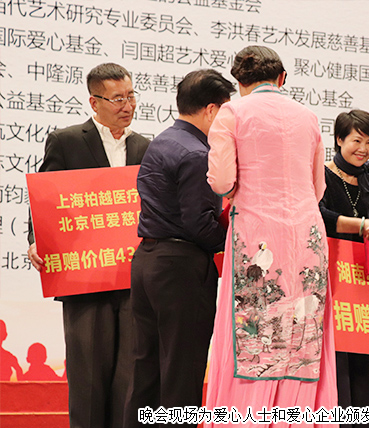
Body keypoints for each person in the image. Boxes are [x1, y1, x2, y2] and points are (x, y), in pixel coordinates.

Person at [203, 46, 337, 426]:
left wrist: (235, 191)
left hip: (257, 233)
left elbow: (221, 181)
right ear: (281, 78)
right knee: (304, 330)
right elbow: (318, 187)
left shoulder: (232, 113)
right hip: (307, 235)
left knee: (254, 331)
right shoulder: (308, 116)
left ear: (239, 82)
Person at [26, 62, 150, 428]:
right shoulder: (67, 141)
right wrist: (36, 240)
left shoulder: (146, 147)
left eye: (130, 96)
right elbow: (46, 200)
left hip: (132, 279)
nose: (127, 106)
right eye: (117, 99)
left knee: (130, 378)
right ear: (94, 102)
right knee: (89, 380)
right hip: (84, 280)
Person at [123, 69, 235, 428]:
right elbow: (198, 224)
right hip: (181, 269)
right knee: (182, 372)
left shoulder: (161, 141)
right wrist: (235, 247)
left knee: (146, 368)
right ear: (212, 110)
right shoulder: (198, 153)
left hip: (147, 262)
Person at [318, 109, 369, 427]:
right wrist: (359, 225)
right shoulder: (323, 175)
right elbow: (319, 215)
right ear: (339, 139)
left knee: (363, 353)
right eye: (357, 140)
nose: (363, 149)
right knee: (338, 356)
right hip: (333, 276)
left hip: (363, 277)